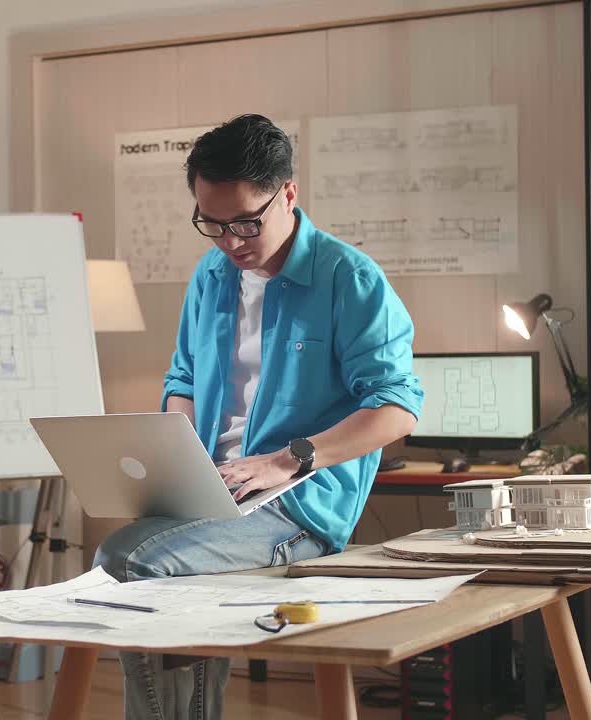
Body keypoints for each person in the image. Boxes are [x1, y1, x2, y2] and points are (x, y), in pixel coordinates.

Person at [93, 114, 424, 719]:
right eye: (211, 225)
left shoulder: (348, 279)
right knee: (119, 555)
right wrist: (176, 446)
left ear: (288, 195)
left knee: (132, 562)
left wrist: (285, 460)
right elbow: (184, 379)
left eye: (247, 221)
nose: (231, 242)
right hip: (215, 488)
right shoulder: (212, 274)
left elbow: (396, 408)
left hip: (298, 505)